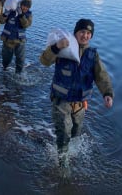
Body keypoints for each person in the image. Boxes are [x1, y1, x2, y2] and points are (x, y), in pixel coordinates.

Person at [39, 18, 114, 154]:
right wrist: (56, 47)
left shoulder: (93, 55)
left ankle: (71, 154)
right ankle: (63, 164)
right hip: (61, 100)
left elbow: (101, 75)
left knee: (76, 133)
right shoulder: (63, 48)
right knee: (64, 133)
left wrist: (107, 93)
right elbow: (44, 61)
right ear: (76, 33)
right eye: (82, 32)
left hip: (80, 103)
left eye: (88, 33)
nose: (85, 35)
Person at [0, 0, 33, 73]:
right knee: (6, 58)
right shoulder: (11, 11)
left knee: (20, 59)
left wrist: (21, 15)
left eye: (27, 7)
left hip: (20, 41)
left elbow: (26, 25)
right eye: (24, 5)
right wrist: (5, 14)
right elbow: (1, 21)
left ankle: (18, 75)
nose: (25, 8)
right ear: (21, 4)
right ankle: (4, 70)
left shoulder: (29, 15)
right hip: (8, 39)